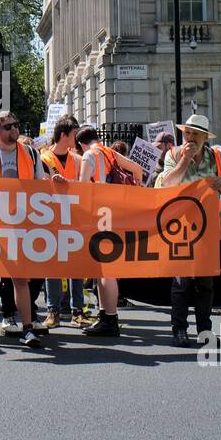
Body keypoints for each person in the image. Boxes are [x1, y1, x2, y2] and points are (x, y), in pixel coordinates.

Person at [0, 111, 66, 350]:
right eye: (8, 126)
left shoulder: (30, 153)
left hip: (22, 225)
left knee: (20, 279)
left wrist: (54, 183)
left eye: (16, 125)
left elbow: (40, 186)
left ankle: (27, 328)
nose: (14, 130)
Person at [155, 115, 221, 347]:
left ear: (205, 137)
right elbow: (168, 184)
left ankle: (205, 331)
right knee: (181, 281)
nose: (190, 137)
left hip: (207, 227)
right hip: (181, 227)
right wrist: (184, 160)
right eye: (187, 133)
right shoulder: (173, 154)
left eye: (195, 134)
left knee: (205, 282)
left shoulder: (216, 157)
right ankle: (179, 330)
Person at [75, 124, 143, 337]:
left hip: (99, 216)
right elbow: (138, 171)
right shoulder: (109, 152)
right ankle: (106, 316)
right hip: (116, 214)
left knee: (105, 270)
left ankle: (109, 318)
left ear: (81, 144)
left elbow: (83, 187)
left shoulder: (89, 156)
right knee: (104, 269)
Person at [40, 116, 89, 328]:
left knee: (76, 265)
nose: (76, 138)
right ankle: (53, 311)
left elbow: (84, 187)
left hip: (74, 218)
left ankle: (78, 310)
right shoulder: (43, 158)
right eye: (74, 134)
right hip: (51, 218)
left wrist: (68, 184)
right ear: (63, 135)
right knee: (52, 267)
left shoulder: (77, 160)